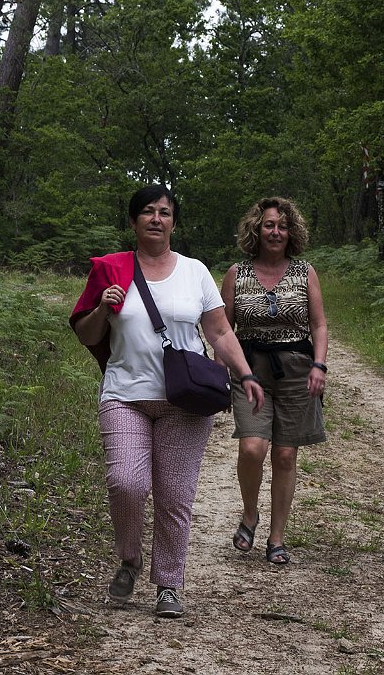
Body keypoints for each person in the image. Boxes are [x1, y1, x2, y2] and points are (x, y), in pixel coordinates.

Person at [69, 184, 264, 618]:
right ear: (133, 220)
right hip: (125, 394)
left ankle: (169, 585)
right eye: (148, 212)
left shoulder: (195, 272)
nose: (156, 219)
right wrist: (102, 309)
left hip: (185, 399)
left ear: (174, 222)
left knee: (174, 495)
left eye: (165, 212)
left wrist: (245, 374)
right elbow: (86, 334)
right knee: (126, 482)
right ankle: (130, 558)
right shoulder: (112, 269)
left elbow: (218, 331)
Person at [218, 197, 328, 565]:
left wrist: (320, 365)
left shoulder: (305, 272)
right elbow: (223, 329)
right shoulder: (236, 273)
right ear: (257, 229)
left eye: (282, 226)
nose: (276, 232)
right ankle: (250, 514)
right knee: (252, 448)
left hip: (297, 371)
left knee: (284, 454)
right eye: (269, 225)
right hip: (250, 370)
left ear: (291, 232)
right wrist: (220, 372)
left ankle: (277, 537)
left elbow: (319, 325)